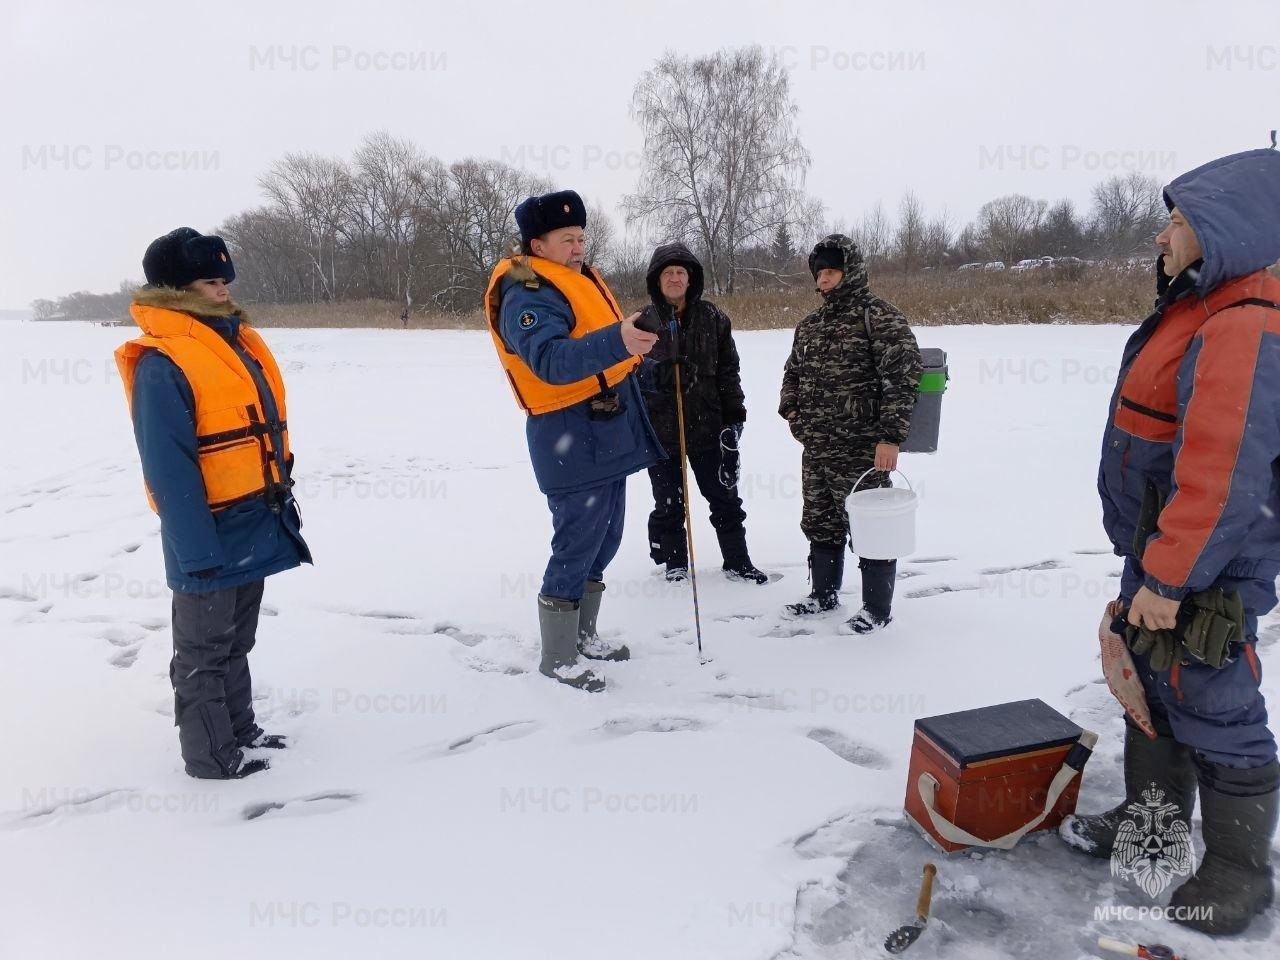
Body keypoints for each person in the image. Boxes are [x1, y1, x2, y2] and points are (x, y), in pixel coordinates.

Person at [1061, 149, 1280, 935]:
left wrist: (1170, 578)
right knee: (1154, 685)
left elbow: (1224, 470)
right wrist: (1151, 566)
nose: (1162, 235)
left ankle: (1238, 871)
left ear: (1225, 227)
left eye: (1178, 221)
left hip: (1207, 560)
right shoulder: (1204, 302)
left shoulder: (1247, 318)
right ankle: (1152, 825)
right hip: (1165, 548)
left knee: (1213, 697)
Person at [115, 228, 311, 779]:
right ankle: (210, 757)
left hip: (255, 516)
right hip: (205, 528)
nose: (223, 289)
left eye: (225, 280)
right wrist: (196, 548)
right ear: (178, 289)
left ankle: (240, 731)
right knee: (202, 650)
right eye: (209, 281)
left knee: (236, 639)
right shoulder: (163, 361)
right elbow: (169, 466)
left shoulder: (232, 343)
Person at [482, 190, 662, 692]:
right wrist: (617, 342)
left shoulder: (578, 279)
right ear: (537, 245)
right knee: (576, 540)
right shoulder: (527, 291)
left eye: (582, 237)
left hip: (608, 428)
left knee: (606, 537)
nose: (579, 246)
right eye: (567, 239)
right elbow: (552, 361)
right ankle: (558, 657)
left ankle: (585, 635)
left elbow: (601, 346)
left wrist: (640, 352)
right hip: (568, 435)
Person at [778, 235, 921, 633]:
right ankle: (823, 595)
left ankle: (876, 608)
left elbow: (902, 379)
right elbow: (793, 373)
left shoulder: (878, 316)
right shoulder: (810, 325)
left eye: (831, 271)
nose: (824, 280)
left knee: (871, 527)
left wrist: (891, 438)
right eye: (819, 273)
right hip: (817, 447)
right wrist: (793, 411)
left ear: (850, 271)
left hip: (864, 449)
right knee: (820, 521)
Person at [641, 242, 768, 585]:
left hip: (708, 426)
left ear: (691, 279)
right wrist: (657, 375)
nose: (675, 278)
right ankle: (674, 563)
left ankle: (737, 561)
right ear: (657, 279)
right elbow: (628, 373)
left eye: (681, 272)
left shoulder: (713, 317)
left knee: (724, 497)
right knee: (669, 503)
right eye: (668, 272)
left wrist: (735, 415)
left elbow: (729, 370)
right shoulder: (642, 321)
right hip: (659, 430)